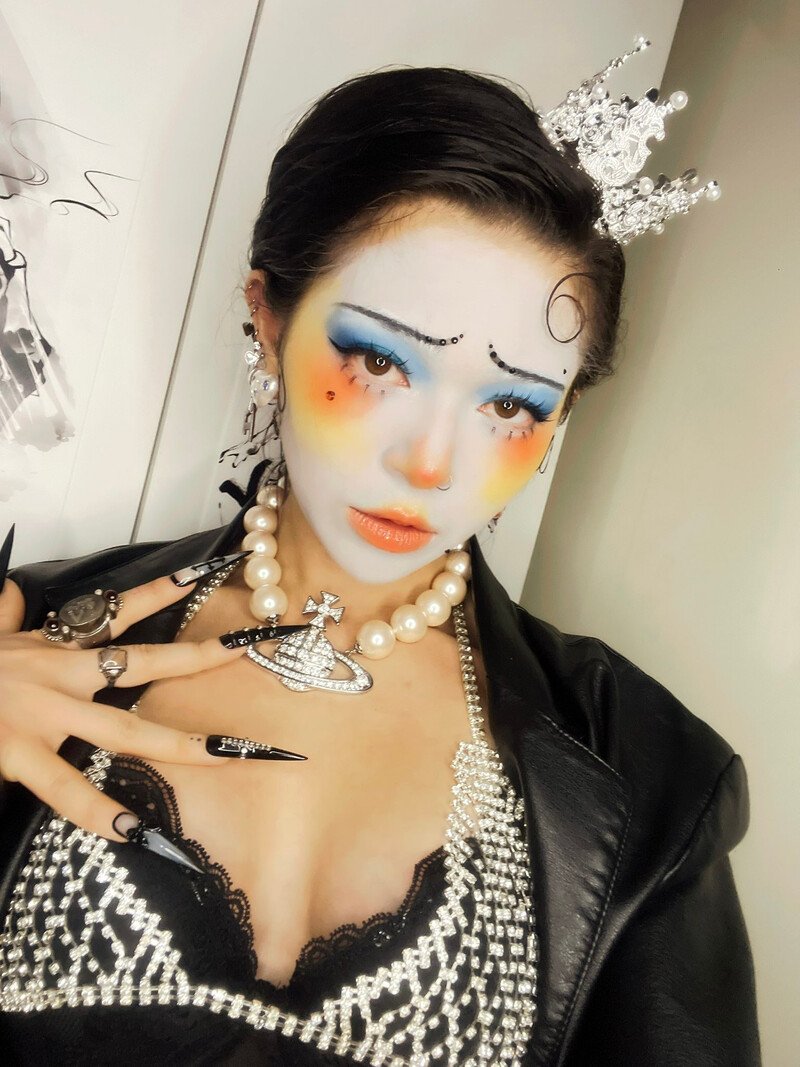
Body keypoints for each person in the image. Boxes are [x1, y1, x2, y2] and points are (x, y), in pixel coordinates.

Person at [0, 48, 760, 1066]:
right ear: (268, 318)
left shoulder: (652, 778)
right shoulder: (28, 639)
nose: (430, 462)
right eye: (379, 361)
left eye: (510, 404)